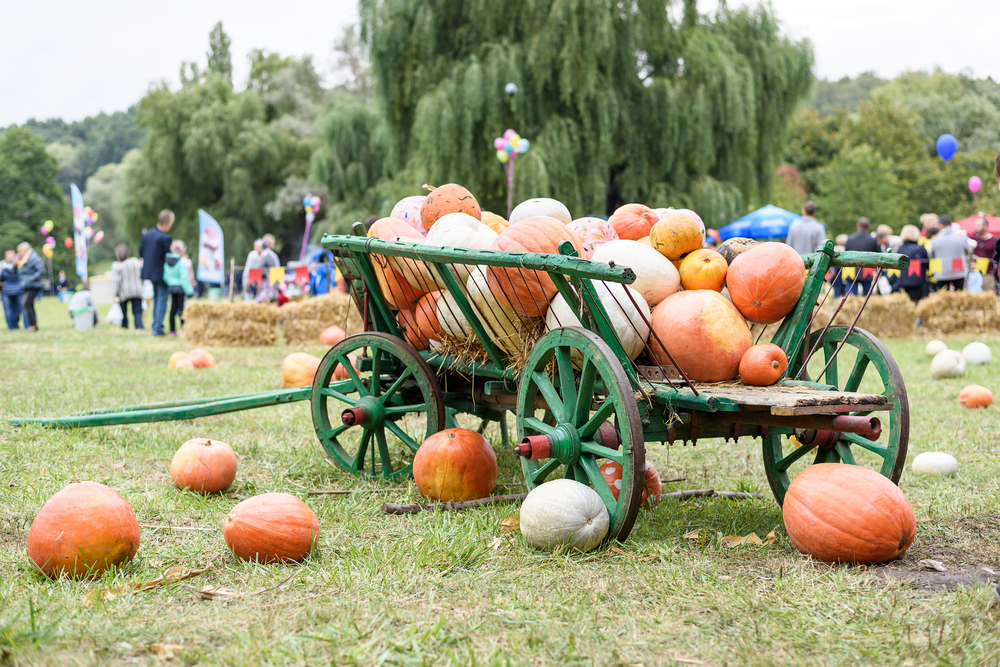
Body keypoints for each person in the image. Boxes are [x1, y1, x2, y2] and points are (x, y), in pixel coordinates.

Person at [139, 210, 175, 335]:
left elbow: (141, 252)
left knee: (156, 298)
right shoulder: (165, 238)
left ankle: (155, 325)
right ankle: (158, 328)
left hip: (149, 271)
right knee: (162, 299)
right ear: (167, 223)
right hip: (161, 272)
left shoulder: (147, 235)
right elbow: (168, 256)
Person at [929, 215, 975, 292]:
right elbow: (969, 251)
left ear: (940, 225)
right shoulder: (961, 237)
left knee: (943, 298)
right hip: (958, 271)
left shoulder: (935, 239)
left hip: (941, 272)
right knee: (959, 296)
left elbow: (931, 255)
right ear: (951, 223)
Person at [164, 241, 194, 335]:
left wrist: (170, 283)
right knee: (181, 309)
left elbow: (165, 276)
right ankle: (183, 329)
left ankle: (172, 330)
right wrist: (190, 291)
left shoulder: (167, 262)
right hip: (180, 288)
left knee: (172, 308)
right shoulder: (181, 262)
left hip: (172, 287)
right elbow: (184, 278)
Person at [892, 225, 928, 303]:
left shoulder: (900, 248)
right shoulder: (920, 248)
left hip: (903, 280)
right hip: (918, 280)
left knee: (907, 303)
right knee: (917, 302)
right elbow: (927, 264)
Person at [112, 244, 144, 330]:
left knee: (123, 311)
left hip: (124, 291)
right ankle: (139, 326)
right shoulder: (136, 262)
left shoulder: (118, 266)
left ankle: (125, 325)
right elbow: (142, 275)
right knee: (137, 311)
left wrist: (115, 293)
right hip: (137, 290)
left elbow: (116, 281)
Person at [844, 218, 879, 295]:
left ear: (858, 226)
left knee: (850, 298)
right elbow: (878, 256)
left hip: (852, 270)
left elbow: (846, 255)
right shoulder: (872, 240)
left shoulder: (850, 238)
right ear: (869, 227)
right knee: (867, 297)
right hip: (867, 270)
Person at [16, 243, 44, 331]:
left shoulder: (34, 258)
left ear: (25, 250)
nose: (19, 253)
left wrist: (31, 278)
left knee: (25, 303)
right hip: (27, 285)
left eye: (20, 251)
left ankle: (32, 325)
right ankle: (33, 326)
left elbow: (41, 270)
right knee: (29, 305)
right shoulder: (24, 259)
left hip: (34, 285)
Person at [972, 214, 996, 294]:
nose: (976, 227)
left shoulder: (995, 240)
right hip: (974, 273)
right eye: (975, 225)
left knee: (987, 295)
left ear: (985, 226)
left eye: (978, 225)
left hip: (988, 273)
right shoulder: (972, 238)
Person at [1, 250, 23, 329]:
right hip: (16, 290)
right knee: (14, 309)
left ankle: (12, 326)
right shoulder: (18, 265)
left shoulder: (3, 267)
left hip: (7, 290)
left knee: (10, 309)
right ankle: (13, 325)